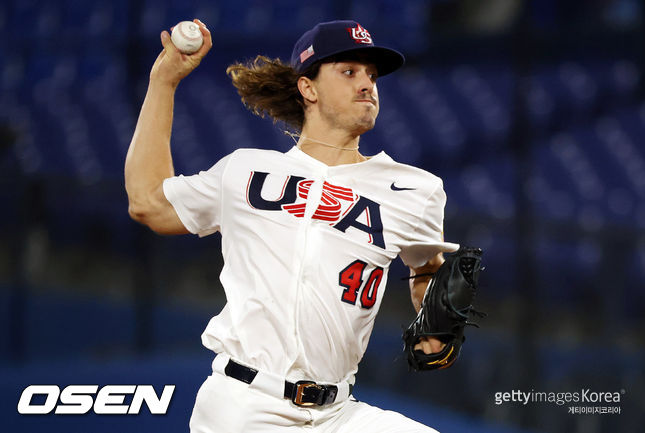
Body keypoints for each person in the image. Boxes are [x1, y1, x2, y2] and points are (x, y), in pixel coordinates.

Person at [125, 18, 460, 433]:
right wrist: (163, 83)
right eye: (349, 71)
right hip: (245, 403)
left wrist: (436, 320)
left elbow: (427, 271)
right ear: (308, 88)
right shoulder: (246, 170)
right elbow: (149, 204)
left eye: (372, 75)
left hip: (338, 412)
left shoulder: (415, 189)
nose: (367, 84)